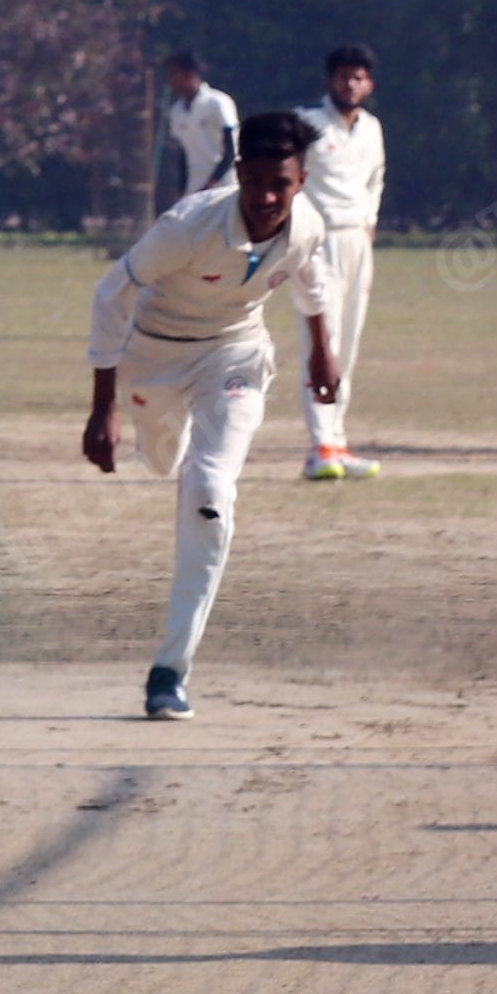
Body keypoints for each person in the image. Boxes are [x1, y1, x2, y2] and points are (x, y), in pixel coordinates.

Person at [82, 111, 340, 723]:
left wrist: (323, 352)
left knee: (208, 490)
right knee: (164, 460)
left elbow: (309, 278)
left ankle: (170, 670)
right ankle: (166, 449)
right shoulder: (188, 226)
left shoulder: (307, 224)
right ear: (239, 174)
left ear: (301, 178)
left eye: (282, 183)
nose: (269, 198)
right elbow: (110, 292)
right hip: (154, 361)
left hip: (235, 355)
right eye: (257, 183)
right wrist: (104, 405)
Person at [295, 44, 385, 481]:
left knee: (347, 344)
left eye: (359, 77)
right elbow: (286, 176)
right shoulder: (307, 123)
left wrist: (369, 221)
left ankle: (338, 440)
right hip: (318, 241)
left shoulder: (371, 128)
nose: (350, 84)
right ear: (330, 79)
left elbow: (375, 178)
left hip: (356, 241)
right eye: (344, 76)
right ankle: (319, 447)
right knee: (321, 344)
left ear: (369, 84)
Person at [161, 51, 240, 199]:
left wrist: (212, 183)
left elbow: (231, 150)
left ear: (189, 74)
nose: (169, 80)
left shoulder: (218, 102)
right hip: (195, 189)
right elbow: (183, 155)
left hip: (225, 187)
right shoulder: (176, 111)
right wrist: (182, 191)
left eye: (173, 74)